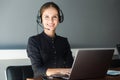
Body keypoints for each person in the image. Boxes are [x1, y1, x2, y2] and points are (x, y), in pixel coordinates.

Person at [27, 2, 73, 79]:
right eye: (46, 17)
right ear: (40, 19)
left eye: (54, 17)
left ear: (59, 19)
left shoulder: (64, 41)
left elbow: (71, 66)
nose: (51, 21)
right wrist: (62, 71)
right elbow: (37, 70)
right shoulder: (33, 41)